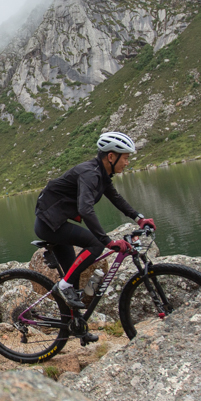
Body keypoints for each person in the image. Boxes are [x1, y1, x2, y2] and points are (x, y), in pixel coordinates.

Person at [34, 131, 156, 341]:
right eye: (125, 158)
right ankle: (62, 287)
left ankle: (77, 327)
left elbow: (115, 198)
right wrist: (107, 241)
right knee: (95, 245)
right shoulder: (90, 173)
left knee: (73, 280)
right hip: (49, 225)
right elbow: (86, 208)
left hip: (58, 222)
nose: (127, 163)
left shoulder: (101, 174)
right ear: (111, 156)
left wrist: (139, 218)